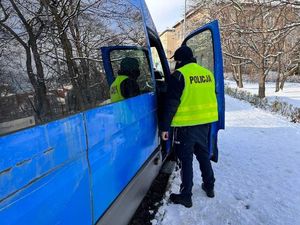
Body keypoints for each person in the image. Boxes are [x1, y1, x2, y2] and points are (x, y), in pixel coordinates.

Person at [161, 45, 218, 208]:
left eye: (176, 61)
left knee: (186, 161)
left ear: (179, 61)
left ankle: (186, 195)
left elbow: (171, 104)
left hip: (185, 127)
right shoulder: (207, 74)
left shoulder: (179, 76)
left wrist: (165, 128)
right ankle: (209, 186)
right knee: (203, 156)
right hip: (205, 124)